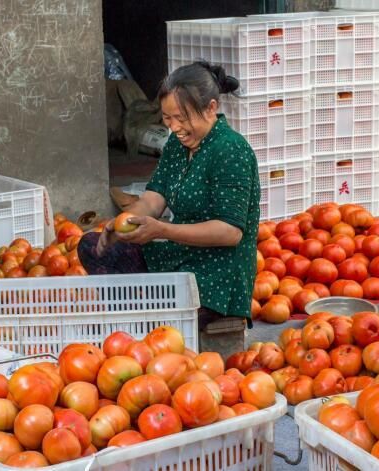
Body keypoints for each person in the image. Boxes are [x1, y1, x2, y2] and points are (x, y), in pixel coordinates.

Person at [78, 61, 261, 328]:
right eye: (167, 118)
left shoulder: (231, 150)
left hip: (215, 276)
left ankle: (145, 323)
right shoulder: (178, 143)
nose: (174, 127)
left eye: (183, 117)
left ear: (211, 108)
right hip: (178, 257)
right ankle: (140, 322)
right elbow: (154, 198)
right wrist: (125, 223)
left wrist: (162, 230)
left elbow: (229, 232)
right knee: (93, 246)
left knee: (155, 316)